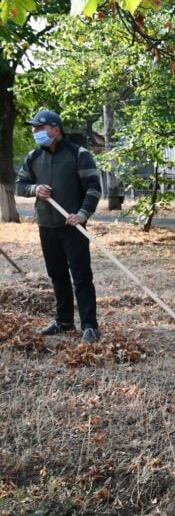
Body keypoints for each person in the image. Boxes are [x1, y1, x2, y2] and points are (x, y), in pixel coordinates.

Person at [15, 110, 103, 344]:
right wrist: (35, 189)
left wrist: (82, 214)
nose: (35, 133)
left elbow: (94, 188)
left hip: (73, 226)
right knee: (57, 274)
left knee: (81, 276)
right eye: (34, 129)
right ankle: (63, 321)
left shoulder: (79, 154)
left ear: (56, 129)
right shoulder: (33, 157)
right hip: (47, 224)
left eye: (39, 128)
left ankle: (89, 326)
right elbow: (20, 185)